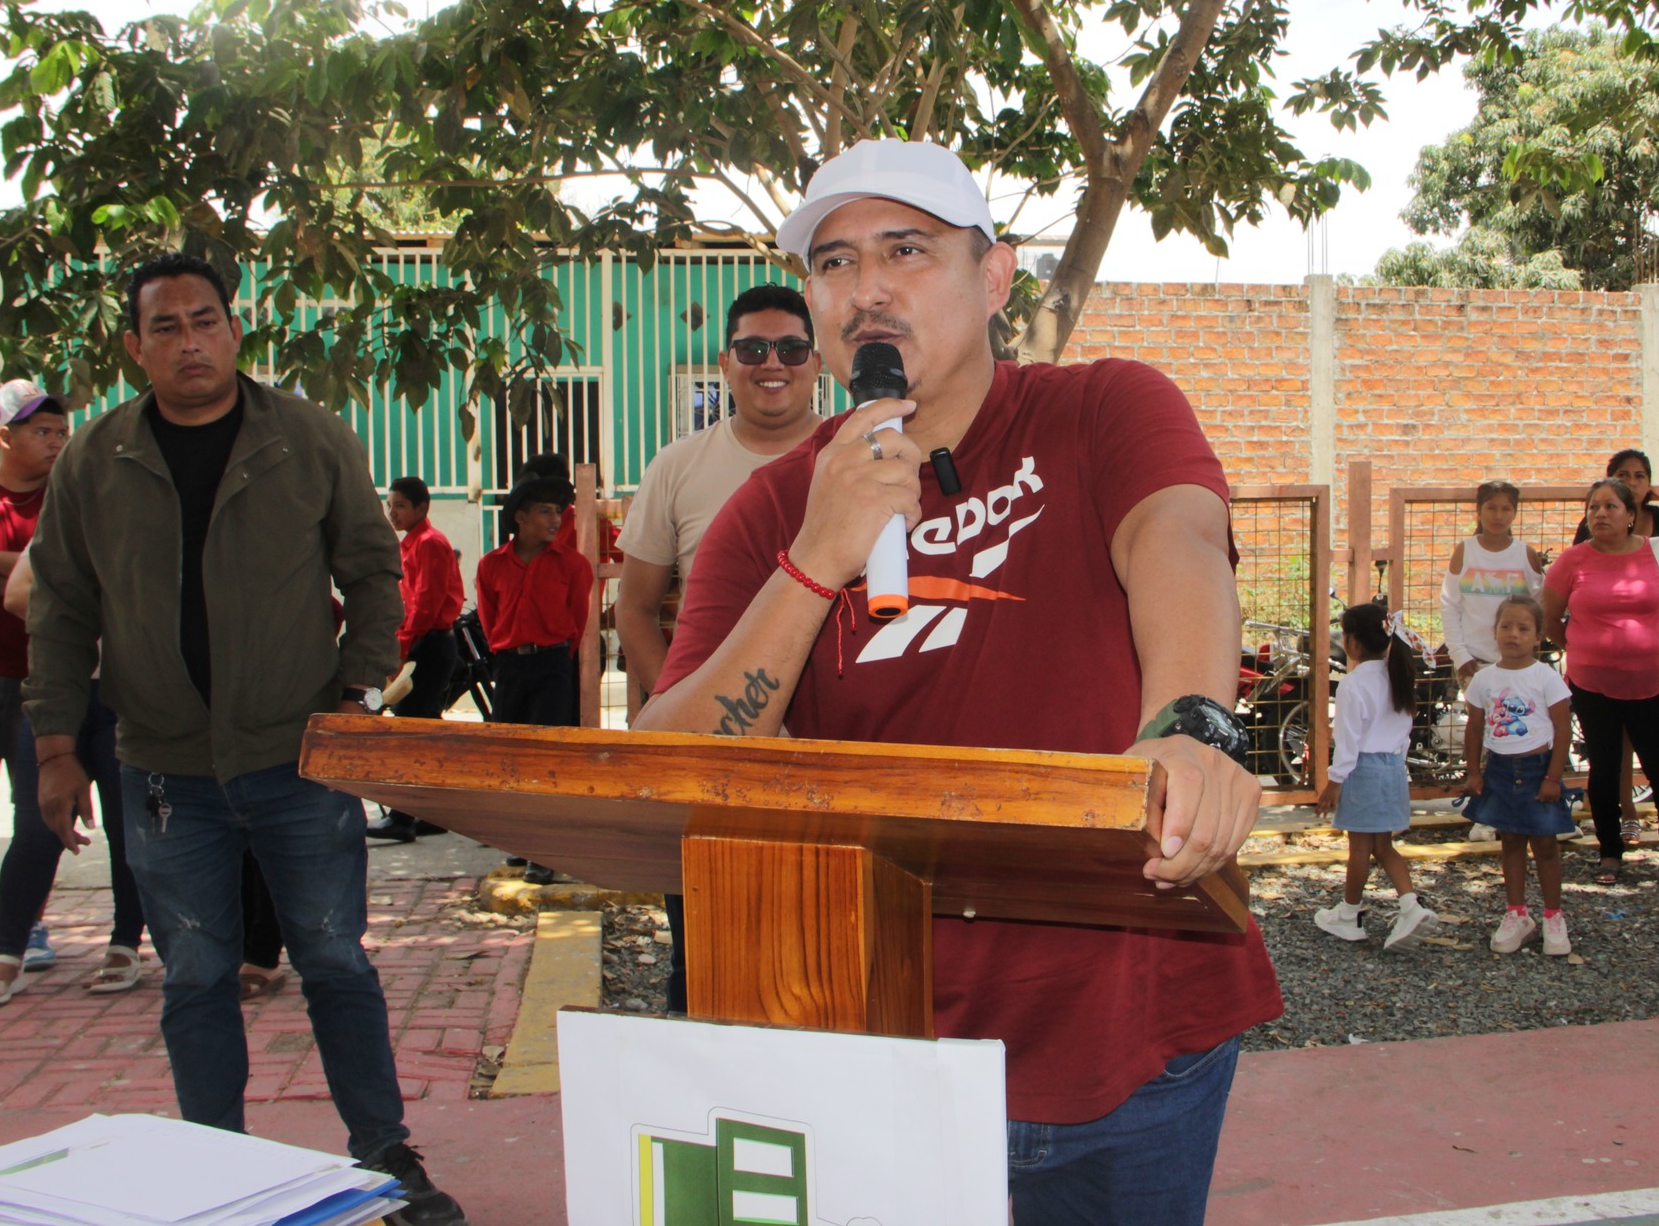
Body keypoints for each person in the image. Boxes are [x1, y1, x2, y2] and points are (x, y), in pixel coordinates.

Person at [633, 139, 1280, 1223]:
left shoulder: (1101, 409)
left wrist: (1189, 726)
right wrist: (817, 557)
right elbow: (665, 768)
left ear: (993, 278)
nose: (867, 289)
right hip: (883, 1043)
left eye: (907, 250)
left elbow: (1177, 540)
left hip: (1135, 1029)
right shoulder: (768, 512)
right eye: (834, 263)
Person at [24, 253, 467, 1225]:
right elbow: (58, 604)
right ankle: (214, 1168)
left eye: (206, 321)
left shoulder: (306, 438)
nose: (190, 341)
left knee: (335, 959)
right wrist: (55, 748)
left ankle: (384, 1151)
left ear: (234, 330)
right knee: (194, 976)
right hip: (162, 769)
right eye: (167, 326)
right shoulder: (96, 460)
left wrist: (358, 690)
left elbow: (372, 569)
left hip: (298, 759)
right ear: (135, 346)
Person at [615, 282, 824, 1013]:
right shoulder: (678, 466)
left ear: (817, 360)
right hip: (712, 761)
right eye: (753, 348)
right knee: (706, 963)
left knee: (826, 957)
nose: (773, 363)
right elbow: (634, 608)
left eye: (791, 348)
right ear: (726, 362)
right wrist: (678, 707)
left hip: (833, 754)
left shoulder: (860, 455)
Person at [0, 384, 148, 1005]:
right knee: (37, 824)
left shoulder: (143, 529)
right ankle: (8, 949)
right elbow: (19, 595)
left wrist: (73, 600)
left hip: (124, 697)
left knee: (131, 830)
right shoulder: (62, 524)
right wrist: (102, 604)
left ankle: (125, 943)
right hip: (54, 696)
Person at [1542, 478, 1659, 887]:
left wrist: (1649, 645)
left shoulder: (1657, 553)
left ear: (1631, 515)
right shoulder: (1572, 561)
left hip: (1650, 681)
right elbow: (1550, 619)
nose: (1600, 514)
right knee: (1605, 767)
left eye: (1610, 506)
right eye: (1593, 507)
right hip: (1591, 684)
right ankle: (1610, 852)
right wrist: (1583, 648)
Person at [1571, 449, 1659, 854]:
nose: (1632, 481)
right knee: (1611, 753)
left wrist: (1652, 635)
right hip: (1599, 672)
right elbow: (1565, 593)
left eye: (1639, 475)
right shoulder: (1588, 535)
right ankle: (1624, 820)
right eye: (1623, 474)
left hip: (1655, 662)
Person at [476, 473, 593, 889]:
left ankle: (545, 852)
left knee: (548, 759)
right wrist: (507, 652)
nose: (554, 519)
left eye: (558, 511)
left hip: (553, 666)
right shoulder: (491, 565)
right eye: (545, 511)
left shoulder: (573, 565)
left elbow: (577, 619)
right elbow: (489, 619)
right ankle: (522, 840)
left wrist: (555, 655)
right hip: (510, 667)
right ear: (520, 518)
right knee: (512, 756)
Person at [0, 381, 63, 979]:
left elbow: (66, 573)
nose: (56, 442)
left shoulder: (68, 500)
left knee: (38, 815)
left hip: (45, 681)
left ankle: (27, 924)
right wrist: (33, 571)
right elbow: (40, 577)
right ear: (4, 436)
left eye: (61, 432)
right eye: (41, 431)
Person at [1313, 603, 1440, 950]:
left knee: (1359, 849)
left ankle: (1349, 915)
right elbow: (1404, 731)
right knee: (1383, 846)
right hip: (1393, 768)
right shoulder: (1397, 675)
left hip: (1363, 771)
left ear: (1352, 642)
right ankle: (1410, 905)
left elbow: (1348, 740)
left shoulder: (1353, 684)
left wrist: (1334, 782)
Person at [1459, 595, 1575, 956]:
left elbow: (1562, 729)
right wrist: (1474, 772)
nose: (1513, 634)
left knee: (1545, 844)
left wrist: (1553, 778)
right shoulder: (1483, 679)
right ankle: (1517, 913)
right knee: (1509, 841)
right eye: (1505, 626)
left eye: (1523, 629)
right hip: (1500, 770)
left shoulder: (1546, 677)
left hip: (1539, 770)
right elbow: (1474, 727)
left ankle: (1553, 916)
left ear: (1538, 637)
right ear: (1494, 632)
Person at [1441, 479, 1548, 844]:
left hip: (1518, 664)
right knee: (1485, 738)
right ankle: (1486, 814)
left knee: (1520, 735)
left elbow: (1541, 604)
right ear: (1479, 511)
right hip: (1477, 663)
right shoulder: (1465, 551)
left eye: (1506, 509)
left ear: (1515, 513)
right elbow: (1450, 605)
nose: (1498, 516)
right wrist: (1460, 655)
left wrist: (1529, 653)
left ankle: (1534, 813)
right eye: (1491, 508)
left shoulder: (1525, 555)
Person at [367, 475, 465, 844]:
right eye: (389, 505)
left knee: (412, 732)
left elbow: (425, 605)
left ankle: (403, 816)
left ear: (422, 508)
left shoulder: (430, 543)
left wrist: (402, 649)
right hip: (420, 641)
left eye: (400, 505)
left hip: (429, 644)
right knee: (423, 730)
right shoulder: (411, 543)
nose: (392, 512)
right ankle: (432, 813)